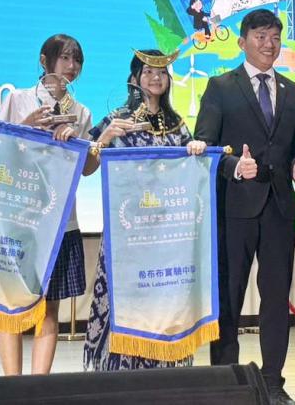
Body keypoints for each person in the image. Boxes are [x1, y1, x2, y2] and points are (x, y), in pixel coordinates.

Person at [194, 9, 295, 405]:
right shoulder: (220, 87)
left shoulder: (293, 90)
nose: (269, 44)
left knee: (276, 300)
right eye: (261, 36)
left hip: (280, 207)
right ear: (242, 41)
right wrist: (233, 166)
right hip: (235, 209)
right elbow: (205, 146)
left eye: (275, 37)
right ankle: (224, 385)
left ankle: (273, 383)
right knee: (229, 298)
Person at [83, 49, 207, 371]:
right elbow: (86, 168)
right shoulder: (117, 119)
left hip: (167, 238)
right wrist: (103, 139)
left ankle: (164, 373)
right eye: (148, 71)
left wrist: (195, 149)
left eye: (162, 72)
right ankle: (118, 374)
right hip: (127, 236)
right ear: (134, 78)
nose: (156, 78)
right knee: (125, 302)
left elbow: (190, 173)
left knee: (165, 301)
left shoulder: (178, 125)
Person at [0, 33, 95, 375]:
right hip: (19, 220)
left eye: (77, 60)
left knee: (49, 310)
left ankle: (38, 386)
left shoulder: (80, 112)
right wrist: (25, 127)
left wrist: (82, 143)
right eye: (65, 57)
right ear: (44, 60)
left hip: (61, 220)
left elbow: (87, 168)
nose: (71, 66)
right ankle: (12, 386)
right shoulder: (18, 100)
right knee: (12, 308)